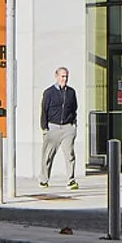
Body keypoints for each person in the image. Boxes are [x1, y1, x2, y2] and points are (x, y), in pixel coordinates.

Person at [40, 65, 79, 195]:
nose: (64, 79)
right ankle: (44, 179)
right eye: (62, 76)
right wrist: (44, 128)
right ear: (56, 77)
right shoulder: (49, 92)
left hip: (68, 128)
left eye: (66, 77)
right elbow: (44, 110)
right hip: (53, 127)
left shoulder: (71, 92)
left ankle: (71, 180)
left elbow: (74, 108)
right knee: (48, 155)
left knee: (70, 154)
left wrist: (74, 125)